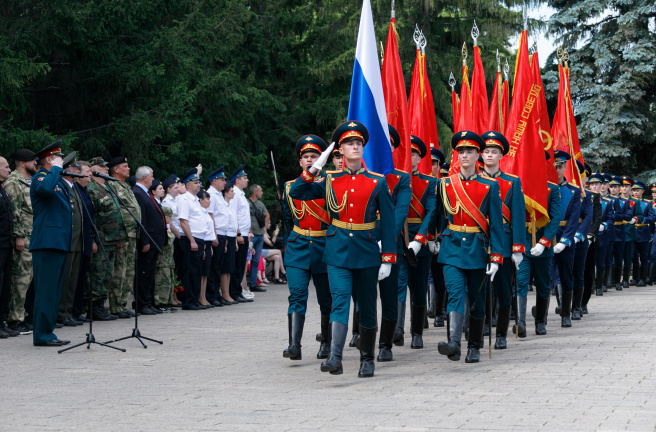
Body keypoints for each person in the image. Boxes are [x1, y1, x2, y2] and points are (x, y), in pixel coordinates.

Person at [289, 120, 397, 378]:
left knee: (367, 307)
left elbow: (390, 223)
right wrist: (317, 164)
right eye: (349, 143)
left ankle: (367, 358)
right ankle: (335, 357)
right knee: (340, 301)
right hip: (337, 251)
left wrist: (388, 258)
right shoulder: (329, 180)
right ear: (339, 151)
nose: (355, 146)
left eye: (359, 142)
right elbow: (296, 191)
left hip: (367, 251)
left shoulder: (377, 182)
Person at [435, 131, 503, 363]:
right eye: (461, 151)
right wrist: (420, 238)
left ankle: (474, 346)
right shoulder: (445, 184)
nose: (465, 155)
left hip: (478, 249)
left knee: (476, 300)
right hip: (452, 246)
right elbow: (435, 216)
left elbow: (496, 224)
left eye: (470, 151)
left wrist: (496, 257)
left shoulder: (489, 186)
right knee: (454, 293)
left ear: (478, 155)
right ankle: (454, 343)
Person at [281, 134, 333, 361]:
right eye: (306, 157)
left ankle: (327, 342)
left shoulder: (331, 184)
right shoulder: (290, 187)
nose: (310, 160)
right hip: (298, 247)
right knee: (297, 295)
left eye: (314, 156)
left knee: (326, 299)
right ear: (300, 162)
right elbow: (288, 220)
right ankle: (294, 345)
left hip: (324, 247)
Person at [479, 131, 526, 348]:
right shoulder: (474, 181)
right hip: (478, 241)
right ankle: (480, 329)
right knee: (479, 289)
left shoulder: (512, 182)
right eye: (486, 151)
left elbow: (517, 216)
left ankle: (501, 335)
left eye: (494, 152)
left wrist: (518, 248)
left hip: (505, 243)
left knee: (504, 290)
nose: (489, 155)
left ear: (501, 156)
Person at [393, 134, 435, 350]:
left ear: (419, 158)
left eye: (413, 153)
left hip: (420, 240)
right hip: (398, 238)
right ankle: (397, 330)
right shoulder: (392, 180)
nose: (408, 157)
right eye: (405, 152)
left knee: (418, 288)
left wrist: (420, 239)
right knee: (399, 284)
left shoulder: (429, 183)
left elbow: (431, 212)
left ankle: (417, 332)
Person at [375, 125, 411, 361]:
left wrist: (384, 240)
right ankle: (363, 338)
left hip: (389, 244)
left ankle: (385, 344)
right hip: (362, 243)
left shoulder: (401, 178)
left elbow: (399, 213)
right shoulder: (359, 175)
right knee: (363, 296)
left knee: (389, 297)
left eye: (387, 142)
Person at [30, 140, 71, 347]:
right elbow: (45, 191)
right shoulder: (40, 178)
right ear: (49, 159)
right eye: (59, 158)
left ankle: (48, 331)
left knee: (54, 291)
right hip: (46, 242)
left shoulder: (57, 180)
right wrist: (55, 169)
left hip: (59, 242)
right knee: (45, 291)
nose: (62, 162)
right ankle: (41, 335)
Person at [516, 151, 561, 337]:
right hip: (523, 243)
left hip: (542, 243)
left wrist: (544, 242)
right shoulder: (517, 187)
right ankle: (520, 323)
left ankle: (540, 321)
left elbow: (555, 217)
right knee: (520, 282)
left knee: (543, 285)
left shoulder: (552, 188)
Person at [87, 157, 128, 320]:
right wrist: (92, 240)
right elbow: (91, 217)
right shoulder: (91, 188)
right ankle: (93, 308)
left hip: (113, 239)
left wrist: (120, 237)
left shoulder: (108, 186)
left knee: (107, 274)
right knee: (97, 274)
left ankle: (101, 306)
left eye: (106, 166)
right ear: (93, 170)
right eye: (102, 167)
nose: (106, 169)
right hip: (101, 239)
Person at [5, 149, 36, 335]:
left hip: (32, 237)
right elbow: (13, 212)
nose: (36, 164)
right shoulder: (13, 183)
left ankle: (21, 315)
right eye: (33, 162)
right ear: (23, 163)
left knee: (27, 280)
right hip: (22, 238)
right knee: (20, 281)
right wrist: (18, 236)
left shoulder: (27, 182)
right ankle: (14, 319)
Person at [549, 150, 581, 328]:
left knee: (567, 276)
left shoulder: (573, 191)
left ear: (565, 167)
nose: (557, 169)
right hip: (547, 236)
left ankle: (566, 314)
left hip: (565, 237)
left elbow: (574, 218)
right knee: (546, 277)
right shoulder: (544, 188)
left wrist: (565, 240)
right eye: (554, 166)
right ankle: (541, 319)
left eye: (560, 166)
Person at [107, 156, 141, 316]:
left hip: (132, 233)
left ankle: (122, 304)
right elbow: (114, 212)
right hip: (122, 233)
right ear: (116, 169)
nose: (129, 169)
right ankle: (115, 305)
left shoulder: (126, 186)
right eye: (125, 166)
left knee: (129, 270)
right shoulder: (111, 185)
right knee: (119, 269)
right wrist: (119, 234)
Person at [132, 166, 168, 315]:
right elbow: (142, 220)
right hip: (148, 240)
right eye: (151, 176)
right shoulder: (138, 192)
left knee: (149, 273)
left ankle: (148, 302)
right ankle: (142, 303)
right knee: (143, 273)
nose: (153, 179)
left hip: (154, 240)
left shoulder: (145, 193)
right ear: (145, 177)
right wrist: (145, 240)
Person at [56, 152, 85, 327]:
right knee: (64, 279)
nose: (78, 170)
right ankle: (60, 313)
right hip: (66, 241)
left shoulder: (73, 187)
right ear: (67, 169)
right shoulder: (61, 186)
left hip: (76, 241)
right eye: (75, 167)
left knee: (72, 279)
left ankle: (66, 312)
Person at [177, 167, 208, 310]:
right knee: (189, 271)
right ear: (187, 185)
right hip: (190, 239)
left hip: (198, 239)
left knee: (196, 271)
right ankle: (188, 301)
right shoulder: (185, 199)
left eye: (199, 182)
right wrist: (192, 240)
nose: (199, 185)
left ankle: (194, 300)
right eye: (195, 182)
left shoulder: (195, 200)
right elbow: (183, 221)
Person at [571, 161, 597, 321]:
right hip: (566, 236)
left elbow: (595, 218)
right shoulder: (567, 192)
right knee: (564, 273)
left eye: (584, 175)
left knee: (584, 272)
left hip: (586, 238)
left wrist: (587, 235)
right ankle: (565, 305)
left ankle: (581, 303)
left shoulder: (592, 196)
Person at [71, 160, 96, 323]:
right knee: (74, 277)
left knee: (81, 278)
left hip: (86, 239)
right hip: (77, 240)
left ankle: (77, 311)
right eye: (87, 172)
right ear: (77, 174)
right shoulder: (74, 191)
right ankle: (71, 311)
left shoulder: (85, 190)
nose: (90, 175)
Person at [228, 166, 254, 303]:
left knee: (240, 264)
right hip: (239, 234)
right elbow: (233, 215)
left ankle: (237, 291)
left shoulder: (241, 194)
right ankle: (234, 292)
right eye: (244, 178)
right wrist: (238, 233)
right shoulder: (235, 194)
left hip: (244, 233)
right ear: (237, 180)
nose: (247, 180)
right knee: (237, 264)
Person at [587, 173, 614, 298]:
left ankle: (599, 286)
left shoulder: (607, 202)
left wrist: (605, 225)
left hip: (601, 235)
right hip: (587, 234)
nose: (595, 186)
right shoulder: (585, 198)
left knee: (601, 262)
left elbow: (610, 218)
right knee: (589, 262)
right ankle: (591, 284)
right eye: (592, 184)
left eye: (597, 184)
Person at [206, 167, 227, 306]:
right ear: (215, 181)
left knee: (219, 266)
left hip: (222, 233)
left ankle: (216, 294)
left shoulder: (218, 194)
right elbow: (210, 216)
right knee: (213, 267)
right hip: (216, 233)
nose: (225, 182)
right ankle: (211, 295)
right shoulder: (211, 194)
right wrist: (214, 235)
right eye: (222, 180)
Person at [0, 156, 16, 339]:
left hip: (6, 245)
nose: (9, 169)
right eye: (6, 166)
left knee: (5, 286)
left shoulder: (3, 190)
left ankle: (2, 321)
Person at [609, 175, 633, 290]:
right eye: (611, 186)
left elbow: (628, 216)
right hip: (608, 232)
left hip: (619, 233)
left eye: (616, 187)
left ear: (619, 188)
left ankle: (618, 281)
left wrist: (615, 216)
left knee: (619, 258)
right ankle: (609, 281)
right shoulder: (604, 200)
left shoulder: (625, 202)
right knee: (608, 258)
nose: (613, 189)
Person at [630, 181, 655, 286]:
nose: (635, 192)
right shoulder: (628, 202)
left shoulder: (648, 203)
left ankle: (643, 279)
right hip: (632, 232)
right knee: (633, 256)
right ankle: (635, 278)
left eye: (638, 190)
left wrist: (642, 220)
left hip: (643, 232)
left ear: (642, 191)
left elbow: (653, 217)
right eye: (634, 190)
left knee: (644, 257)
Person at [154, 205, 177, 311]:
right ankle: (160, 303)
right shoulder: (161, 228)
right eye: (169, 217)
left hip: (169, 261)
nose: (171, 219)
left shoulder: (166, 227)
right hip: (162, 262)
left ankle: (168, 302)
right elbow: (166, 242)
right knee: (162, 283)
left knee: (169, 282)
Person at [219, 182, 239, 304]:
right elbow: (224, 224)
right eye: (231, 191)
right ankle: (224, 293)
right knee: (225, 267)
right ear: (226, 193)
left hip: (232, 237)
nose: (233, 193)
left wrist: (236, 239)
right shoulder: (223, 205)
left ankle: (227, 293)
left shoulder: (230, 205)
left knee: (230, 267)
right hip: (226, 236)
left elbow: (234, 224)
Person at [247, 184, 269, 292]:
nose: (262, 192)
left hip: (259, 235)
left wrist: (265, 227)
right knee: (245, 260)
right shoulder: (246, 203)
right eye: (260, 191)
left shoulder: (260, 204)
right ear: (255, 192)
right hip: (251, 236)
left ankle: (253, 283)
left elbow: (267, 215)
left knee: (256, 261)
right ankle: (242, 285)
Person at [620, 176, 641, 288]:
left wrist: (635, 219)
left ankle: (625, 279)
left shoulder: (635, 202)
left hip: (629, 232)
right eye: (622, 186)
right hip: (617, 231)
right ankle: (613, 280)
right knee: (616, 257)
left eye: (626, 186)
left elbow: (639, 215)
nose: (624, 188)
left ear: (630, 188)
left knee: (628, 257)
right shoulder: (615, 200)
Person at [198, 190, 217, 307]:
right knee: (202, 272)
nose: (209, 201)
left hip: (208, 243)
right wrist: (205, 247)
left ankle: (203, 296)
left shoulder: (206, 212)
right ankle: (200, 296)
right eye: (207, 199)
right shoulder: (199, 212)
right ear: (200, 200)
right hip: (203, 243)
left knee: (206, 272)